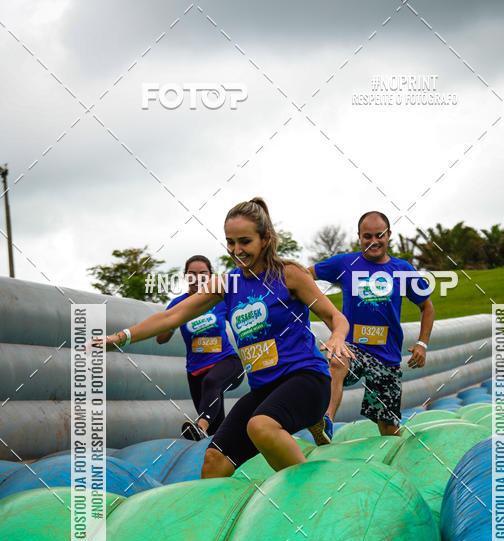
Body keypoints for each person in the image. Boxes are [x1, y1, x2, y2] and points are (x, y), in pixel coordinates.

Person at [97, 198, 353, 477]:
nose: (236, 250)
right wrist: (122, 337)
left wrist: (337, 338)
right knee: (214, 460)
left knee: (260, 426)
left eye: (244, 241)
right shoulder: (227, 284)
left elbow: (335, 317)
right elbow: (172, 316)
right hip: (264, 388)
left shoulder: (289, 275)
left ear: (265, 239)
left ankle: (316, 496)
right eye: (230, 242)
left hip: (306, 378)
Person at [308, 210, 435, 438]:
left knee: (389, 430)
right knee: (336, 359)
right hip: (354, 348)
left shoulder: (402, 269)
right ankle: (325, 422)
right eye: (367, 236)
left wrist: (422, 344)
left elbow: (427, 306)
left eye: (379, 235)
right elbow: (304, 275)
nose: (373, 241)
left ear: (389, 235)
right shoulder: (344, 263)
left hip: (387, 356)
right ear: (359, 236)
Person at [156, 254, 244, 440]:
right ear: (186, 277)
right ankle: (228, 456)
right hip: (196, 372)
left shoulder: (220, 300)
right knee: (216, 430)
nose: (197, 279)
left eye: (203, 274)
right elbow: (161, 339)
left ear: (211, 276)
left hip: (228, 362)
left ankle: (200, 425)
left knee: (211, 383)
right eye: (192, 274)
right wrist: (173, 321)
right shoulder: (178, 304)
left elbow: (242, 323)